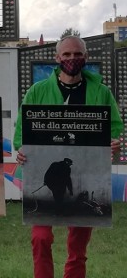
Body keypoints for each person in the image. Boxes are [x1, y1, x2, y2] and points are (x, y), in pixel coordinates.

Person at [13, 35, 123, 278]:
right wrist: (21, 151)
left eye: (77, 54)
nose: (72, 59)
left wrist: (113, 143)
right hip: (42, 176)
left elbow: (114, 128)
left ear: (86, 57)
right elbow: (21, 134)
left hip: (89, 173)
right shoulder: (37, 91)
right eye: (66, 54)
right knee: (40, 238)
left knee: (78, 246)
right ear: (57, 58)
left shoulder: (101, 92)